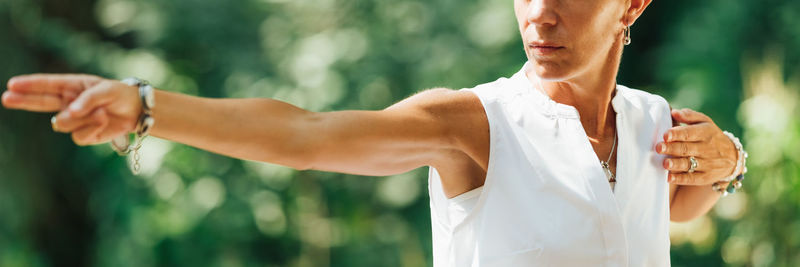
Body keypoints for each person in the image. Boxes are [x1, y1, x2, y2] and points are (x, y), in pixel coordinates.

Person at [1, 0, 747, 266]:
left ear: (633, 5)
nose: (539, 13)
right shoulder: (476, 123)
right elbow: (307, 135)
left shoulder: (651, 121)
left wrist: (729, 160)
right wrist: (146, 106)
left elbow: (667, 213)